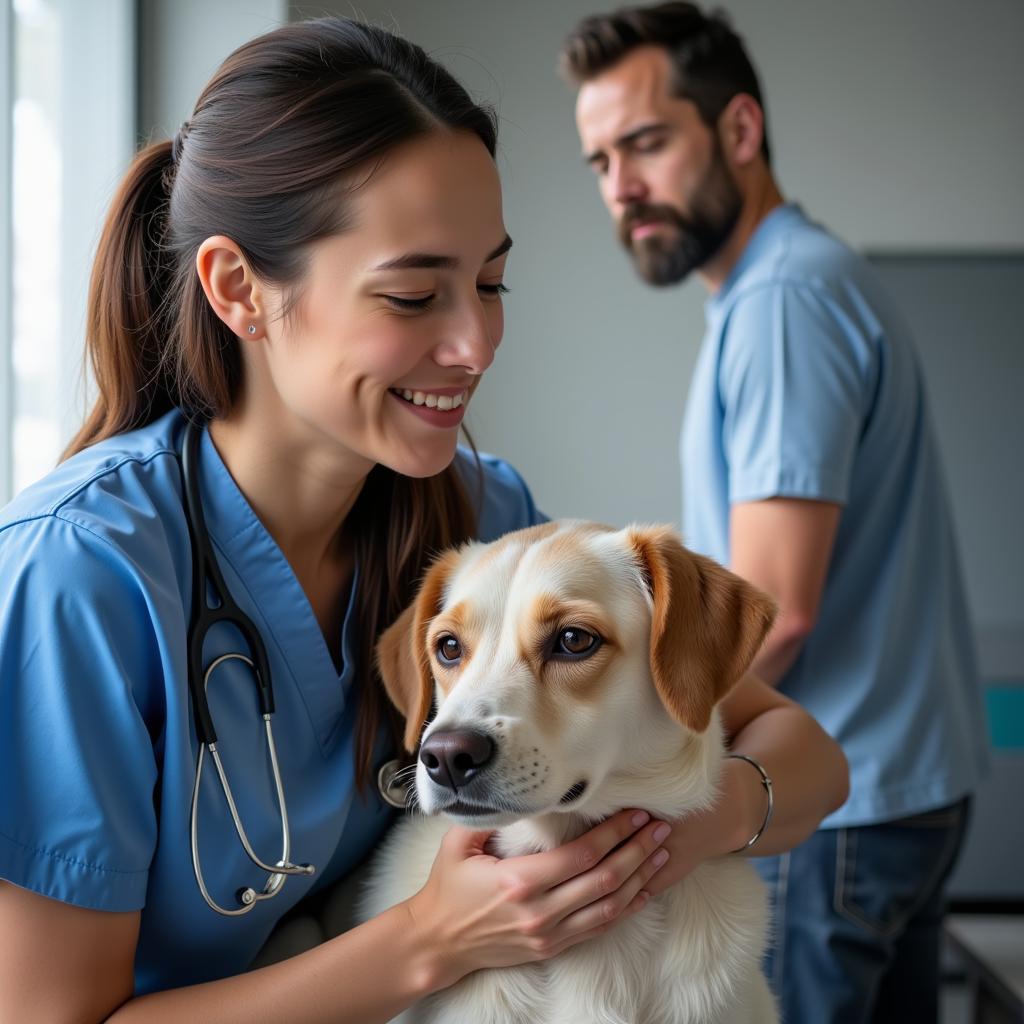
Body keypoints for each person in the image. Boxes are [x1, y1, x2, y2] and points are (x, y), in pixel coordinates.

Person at [0, 16, 847, 1023]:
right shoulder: (83, 573)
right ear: (241, 290)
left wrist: (704, 822)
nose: (474, 342)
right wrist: (429, 938)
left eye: (490, 282)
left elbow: (800, 749)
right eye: (412, 295)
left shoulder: (485, 521)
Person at [563, 4, 990, 1022]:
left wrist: (636, 768)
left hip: (834, 809)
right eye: (598, 162)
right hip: (909, 788)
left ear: (739, 132)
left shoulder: (783, 305)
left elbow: (778, 610)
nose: (622, 188)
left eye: (646, 144)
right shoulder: (804, 281)